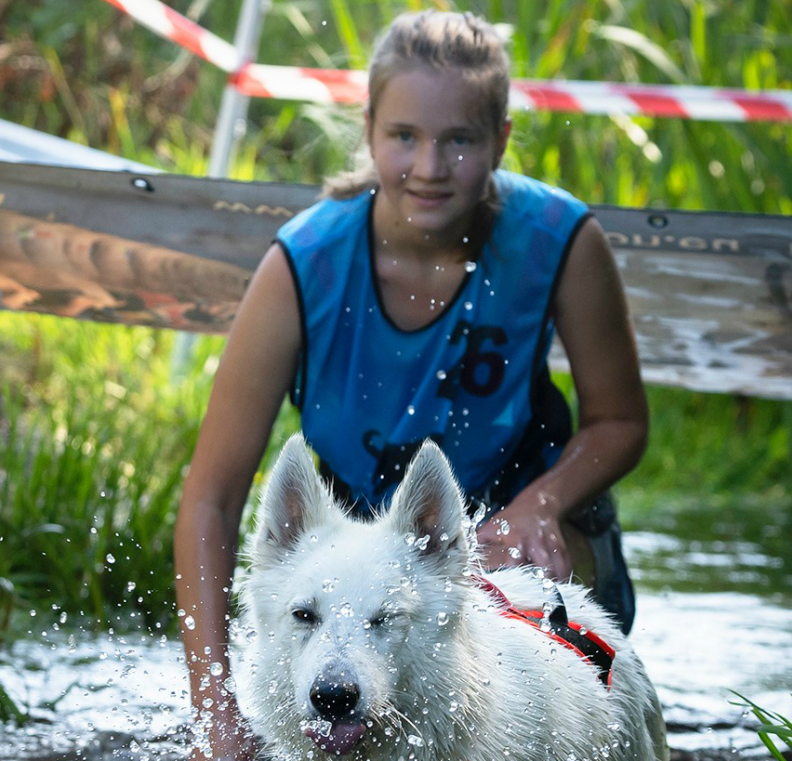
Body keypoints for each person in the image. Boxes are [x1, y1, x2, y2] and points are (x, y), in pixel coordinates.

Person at [174, 9, 648, 760]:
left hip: (530, 529)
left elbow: (621, 421)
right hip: (353, 549)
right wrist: (215, 710)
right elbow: (213, 497)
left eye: (458, 139)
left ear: (501, 138)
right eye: (405, 137)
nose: (429, 165)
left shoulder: (560, 239)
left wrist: (538, 508)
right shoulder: (304, 264)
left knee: (552, 703)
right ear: (368, 130)